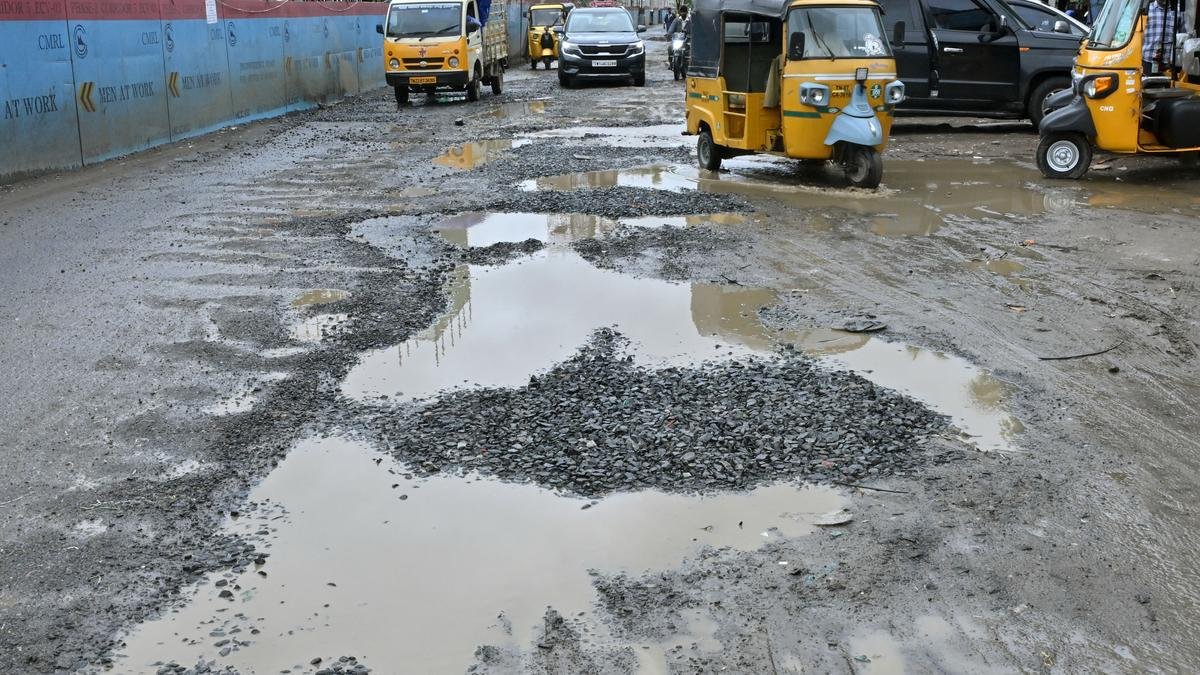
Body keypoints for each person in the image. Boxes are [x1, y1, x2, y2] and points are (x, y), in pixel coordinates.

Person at [1143, 0, 1178, 74]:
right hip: (1148, 60)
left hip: (1170, 63)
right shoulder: (1147, 9)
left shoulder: (1178, 11)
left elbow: (1183, 36)